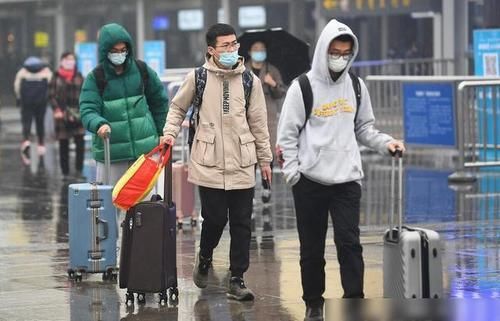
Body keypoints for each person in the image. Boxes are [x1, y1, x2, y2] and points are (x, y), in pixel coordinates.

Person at [276, 19, 406, 321]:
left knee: (350, 244)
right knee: (312, 250)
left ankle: (353, 303)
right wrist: (294, 174)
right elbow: (287, 135)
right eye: (335, 51)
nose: (340, 57)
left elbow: (365, 128)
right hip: (309, 181)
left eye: (346, 53)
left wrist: (386, 144)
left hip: (347, 180)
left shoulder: (357, 87)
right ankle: (313, 304)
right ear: (324, 50)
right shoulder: (303, 87)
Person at [161, 23, 272, 301]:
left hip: (243, 161)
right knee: (215, 219)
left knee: (242, 222)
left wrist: (265, 160)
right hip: (208, 161)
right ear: (211, 50)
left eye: (234, 44)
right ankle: (205, 256)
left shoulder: (250, 81)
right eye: (226, 46)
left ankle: (237, 279)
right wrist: (169, 135)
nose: (232, 49)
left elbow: (259, 123)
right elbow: (177, 108)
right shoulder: (197, 78)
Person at [79, 23, 168, 185]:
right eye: (114, 51)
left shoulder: (142, 70)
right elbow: (87, 109)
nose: (120, 54)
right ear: (105, 51)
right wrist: (99, 124)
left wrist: (163, 131)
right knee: (112, 203)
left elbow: (159, 102)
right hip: (112, 153)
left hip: (145, 151)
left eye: (123, 50)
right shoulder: (96, 77)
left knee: (146, 205)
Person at [245, 40, 286, 202]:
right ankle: (249, 191)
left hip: (268, 117)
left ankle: (266, 188)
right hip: (247, 117)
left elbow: (281, 92)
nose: (259, 52)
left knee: (267, 154)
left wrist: (273, 84)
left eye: (262, 49)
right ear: (249, 51)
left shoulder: (272, 70)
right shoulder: (243, 69)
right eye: (256, 49)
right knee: (249, 155)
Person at [49, 51, 85, 180]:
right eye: (67, 59)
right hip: (62, 115)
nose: (70, 61)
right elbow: (51, 95)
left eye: (72, 59)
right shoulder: (56, 76)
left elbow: (85, 94)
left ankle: (79, 171)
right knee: (63, 144)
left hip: (77, 114)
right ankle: (65, 173)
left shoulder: (79, 76)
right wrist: (56, 110)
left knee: (80, 144)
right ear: (62, 61)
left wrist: (83, 110)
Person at [14, 56, 52, 165]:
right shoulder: (46, 71)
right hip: (41, 102)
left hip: (26, 102)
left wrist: (18, 97)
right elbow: (51, 85)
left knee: (27, 122)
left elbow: (17, 86)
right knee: (40, 123)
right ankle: (41, 144)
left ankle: (26, 140)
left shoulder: (23, 71)